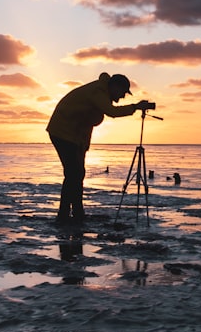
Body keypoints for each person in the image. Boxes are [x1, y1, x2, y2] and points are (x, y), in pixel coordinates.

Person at [46, 72, 153, 224]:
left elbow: (86, 122)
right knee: (73, 174)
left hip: (74, 136)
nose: (122, 96)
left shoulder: (101, 93)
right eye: (122, 92)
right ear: (115, 86)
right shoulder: (98, 91)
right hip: (62, 132)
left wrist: (83, 146)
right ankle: (63, 216)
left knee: (78, 174)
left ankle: (77, 213)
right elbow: (112, 112)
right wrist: (135, 107)